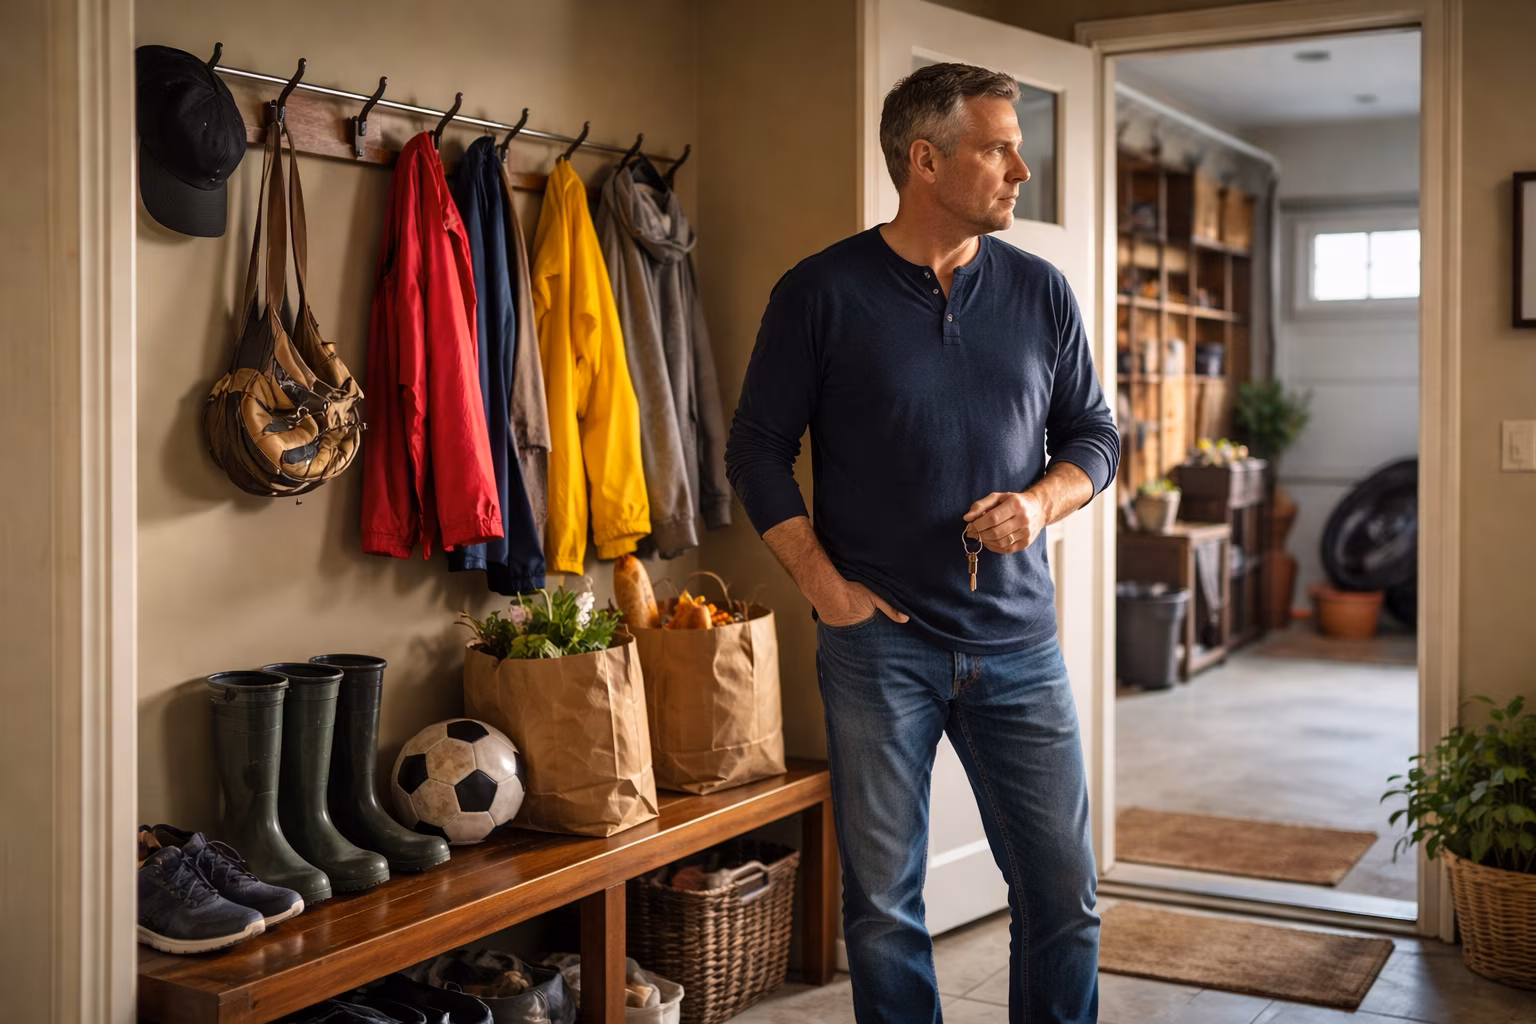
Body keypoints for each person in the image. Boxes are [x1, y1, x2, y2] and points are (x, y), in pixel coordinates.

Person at [724, 62, 1119, 1024]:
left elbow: (1095, 438)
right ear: (925, 158)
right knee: (885, 911)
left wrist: (1041, 503)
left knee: (1064, 901)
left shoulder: (1042, 293)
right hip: (879, 647)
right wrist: (825, 588)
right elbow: (758, 452)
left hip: (1019, 645)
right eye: (997, 148)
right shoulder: (820, 293)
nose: (1020, 169)